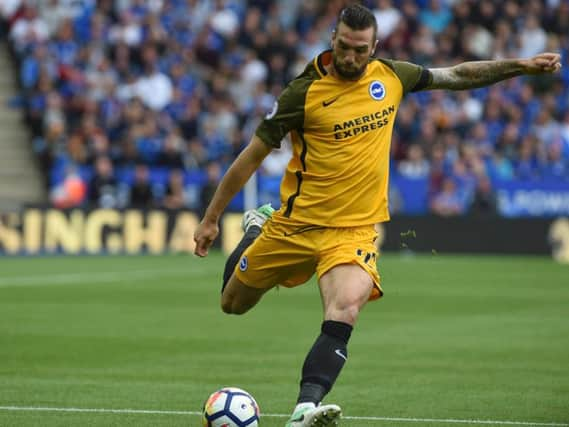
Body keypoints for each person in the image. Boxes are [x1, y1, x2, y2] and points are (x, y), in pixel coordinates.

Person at [193, 4, 562, 426]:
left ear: (375, 47)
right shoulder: (303, 93)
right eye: (344, 47)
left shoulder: (391, 76)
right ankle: (256, 229)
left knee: (345, 307)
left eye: (360, 50)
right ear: (333, 39)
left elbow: (457, 75)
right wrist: (211, 217)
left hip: (352, 230)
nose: (351, 57)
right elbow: (252, 155)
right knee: (232, 304)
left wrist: (520, 66)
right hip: (296, 224)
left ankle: (305, 407)